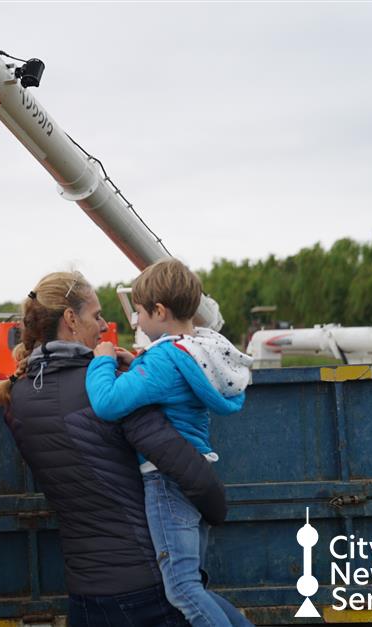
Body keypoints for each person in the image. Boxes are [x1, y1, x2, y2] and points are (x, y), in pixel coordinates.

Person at [0, 270, 248, 627]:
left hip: (85, 595)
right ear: (70, 320)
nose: (105, 325)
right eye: (96, 315)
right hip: (145, 585)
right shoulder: (105, 386)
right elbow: (184, 466)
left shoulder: (18, 395)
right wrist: (217, 510)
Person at [86, 259, 253, 627]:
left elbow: (107, 402)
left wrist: (100, 361)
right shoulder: (198, 348)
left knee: (181, 589)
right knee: (194, 585)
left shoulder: (163, 358)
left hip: (165, 481)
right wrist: (140, 362)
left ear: (159, 311)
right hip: (195, 474)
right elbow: (167, 381)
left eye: (140, 314)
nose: (137, 322)